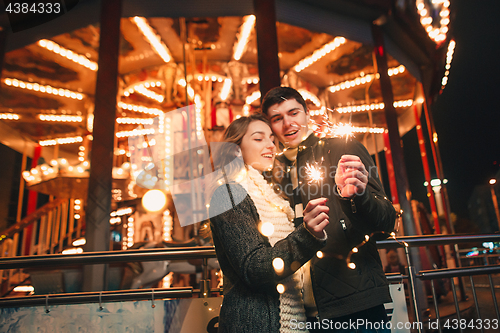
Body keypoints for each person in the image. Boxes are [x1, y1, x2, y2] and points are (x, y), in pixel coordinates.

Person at [261, 86, 397, 332]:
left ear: (307, 114)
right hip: (301, 314)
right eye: (277, 118)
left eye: (293, 113)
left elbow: (387, 221)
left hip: (355, 304)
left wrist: (360, 196)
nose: (288, 123)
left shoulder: (343, 148)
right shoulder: (274, 171)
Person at [209, 113, 329, 333]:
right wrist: (307, 235)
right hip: (256, 323)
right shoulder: (228, 193)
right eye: (258, 138)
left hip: (293, 319)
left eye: (272, 139)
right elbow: (254, 267)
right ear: (236, 148)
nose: (270, 145)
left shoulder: (273, 197)